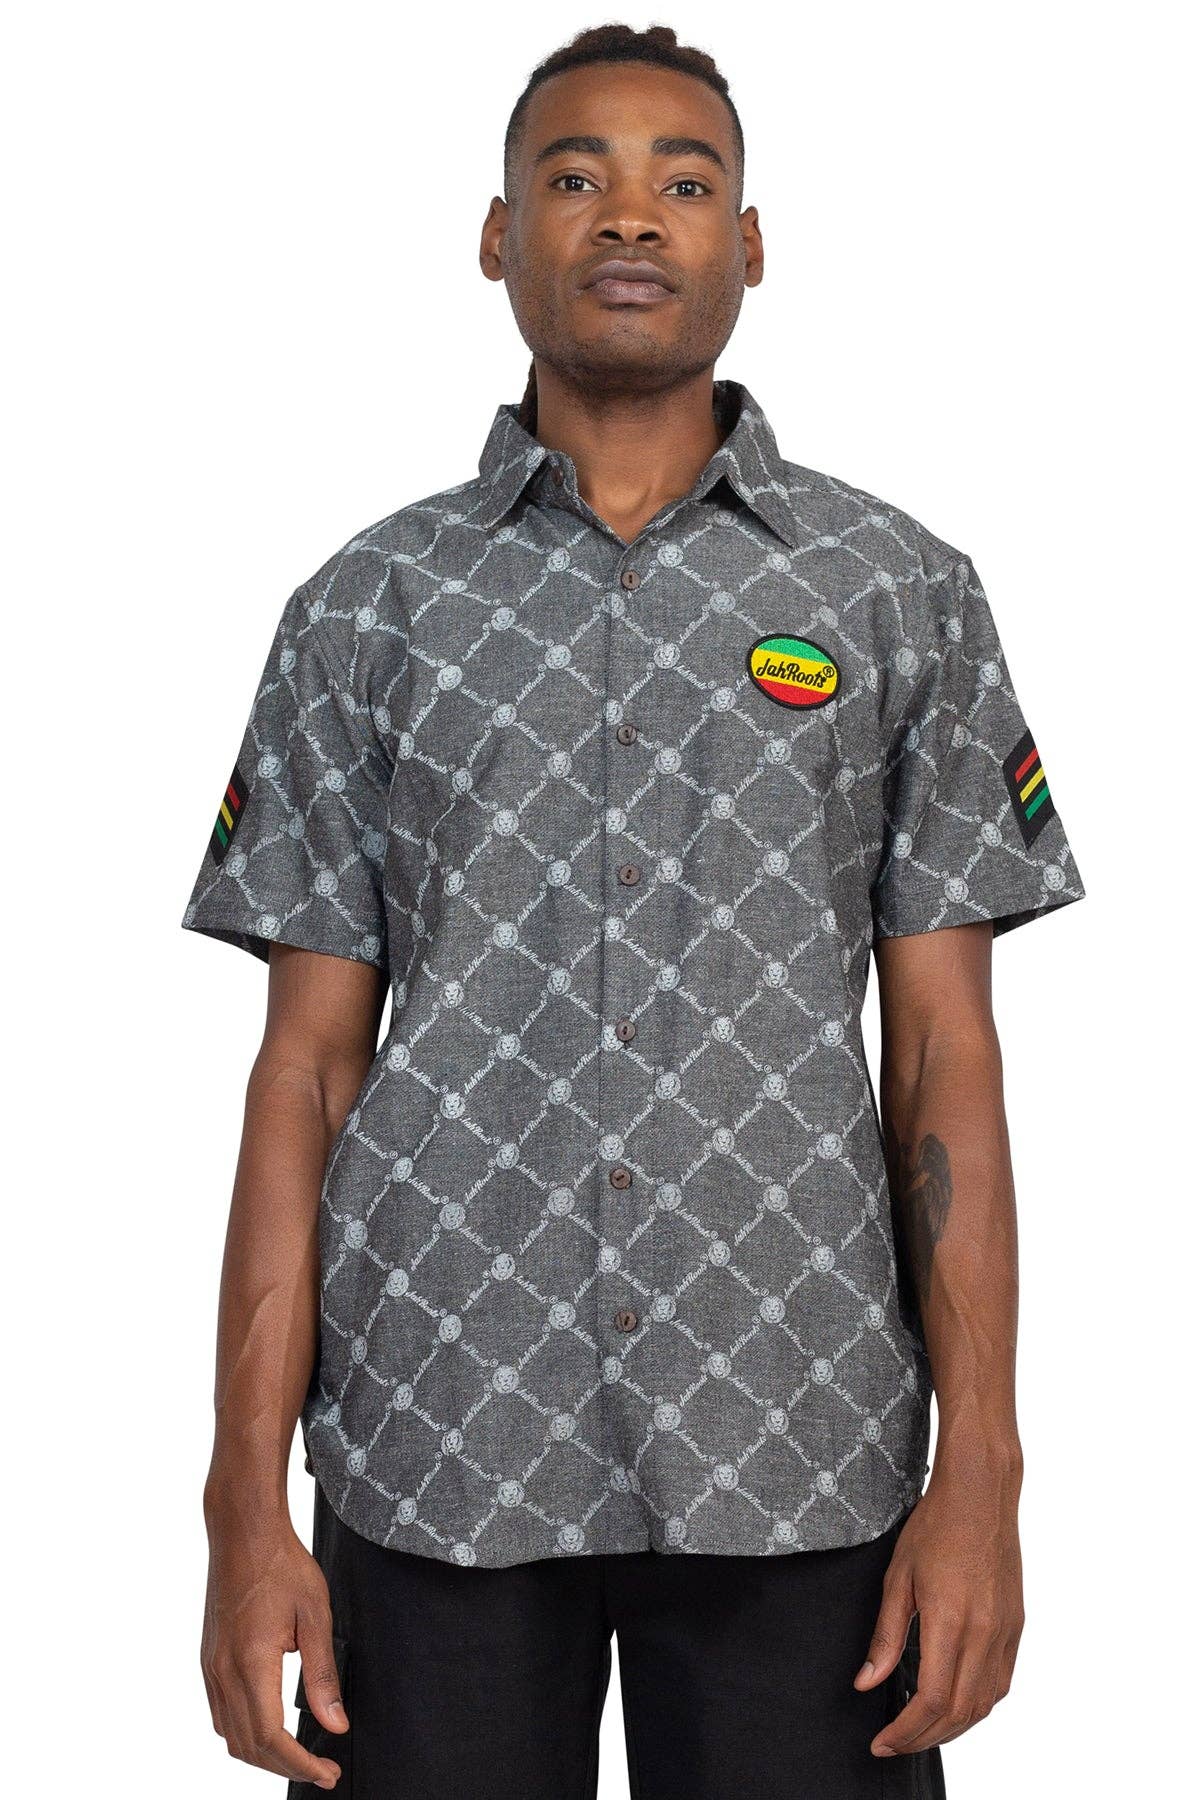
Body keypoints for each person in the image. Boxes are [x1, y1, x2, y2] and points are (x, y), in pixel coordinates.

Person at [181, 22, 1084, 1799]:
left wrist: (981, 1472)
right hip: (437, 1445)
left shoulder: (900, 592)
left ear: (749, 243)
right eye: (574, 175)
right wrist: (240, 1507)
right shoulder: (363, 610)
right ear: (497, 234)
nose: (628, 216)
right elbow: (302, 1074)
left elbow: (946, 1060)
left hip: (801, 1451)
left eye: (684, 180)